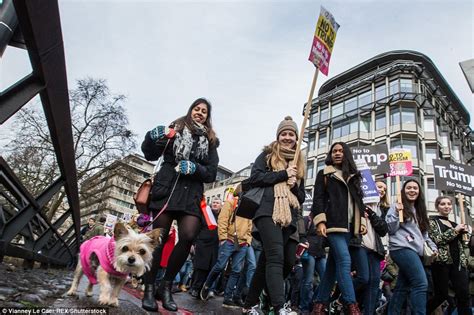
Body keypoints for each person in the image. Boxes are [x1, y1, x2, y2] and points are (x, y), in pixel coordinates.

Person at [140, 98, 219, 312]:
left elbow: (211, 172)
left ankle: (165, 286)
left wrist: (195, 168)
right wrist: (151, 136)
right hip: (166, 190)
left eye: (204, 111)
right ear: (190, 110)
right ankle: (148, 287)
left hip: (191, 195)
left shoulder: (211, 141)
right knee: (158, 238)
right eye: (197, 109)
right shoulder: (174, 128)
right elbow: (149, 154)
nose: (200, 113)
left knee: (188, 236)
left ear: (207, 116)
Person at [241, 116, 306, 315]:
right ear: (278, 136)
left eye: (291, 134)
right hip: (267, 211)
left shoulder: (299, 161)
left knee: (273, 262)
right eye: (284, 133)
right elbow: (255, 178)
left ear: (296, 137)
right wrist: (283, 175)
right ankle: (279, 307)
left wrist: (294, 185)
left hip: (290, 216)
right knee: (276, 257)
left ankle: (249, 304)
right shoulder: (267, 155)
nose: (287, 137)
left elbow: (302, 197)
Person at [311, 141, 367, 315]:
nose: (337, 153)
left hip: (351, 228)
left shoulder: (354, 176)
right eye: (334, 151)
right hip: (334, 226)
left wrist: (362, 221)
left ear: (346, 154)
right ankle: (352, 306)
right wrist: (320, 221)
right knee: (344, 261)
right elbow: (318, 199)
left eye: (341, 151)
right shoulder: (325, 174)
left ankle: (319, 306)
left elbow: (359, 202)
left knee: (331, 269)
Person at [385, 178, 437, 315]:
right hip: (401, 248)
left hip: (417, 252)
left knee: (402, 287)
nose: (412, 190)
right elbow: (390, 229)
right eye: (409, 188)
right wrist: (396, 212)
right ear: (403, 191)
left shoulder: (420, 211)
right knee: (420, 283)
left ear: (419, 192)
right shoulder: (396, 206)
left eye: (415, 188)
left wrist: (434, 248)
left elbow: (424, 236)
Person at [200, 185, 253, 308]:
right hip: (228, 240)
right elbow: (222, 220)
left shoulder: (250, 206)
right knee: (220, 266)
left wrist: (248, 240)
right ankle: (207, 285)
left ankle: (227, 298)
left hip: (243, 243)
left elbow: (250, 225)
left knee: (236, 271)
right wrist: (223, 238)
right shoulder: (230, 203)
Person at [427, 196, 471, 315]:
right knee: (441, 295)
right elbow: (437, 240)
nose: (446, 206)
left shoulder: (455, 223)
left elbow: (461, 245)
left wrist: (464, 234)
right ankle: (422, 312)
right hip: (442, 262)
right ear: (437, 207)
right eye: (442, 204)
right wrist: (455, 230)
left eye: (448, 204)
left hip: (458, 263)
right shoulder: (432, 221)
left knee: (463, 294)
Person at [189, 197, 221, 299]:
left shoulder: (222, 216)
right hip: (203, 244)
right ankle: (195, 288)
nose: (215, 204)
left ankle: (205, 289)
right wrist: (193, 243)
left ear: (221, 205)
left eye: (217, 203)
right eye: (214, 202)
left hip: (215, 246)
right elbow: (196, 228)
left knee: (211, 268)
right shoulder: (206, 213)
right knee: (200, 268)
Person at [299, 215, 326, 314]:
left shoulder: (325, 221)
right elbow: (301, 235)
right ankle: (304, 307)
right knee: (308, 281)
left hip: (321, 253)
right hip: (309, 253)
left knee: (326, 280)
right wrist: (304, 242)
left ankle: (314, 301)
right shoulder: (307, 219)